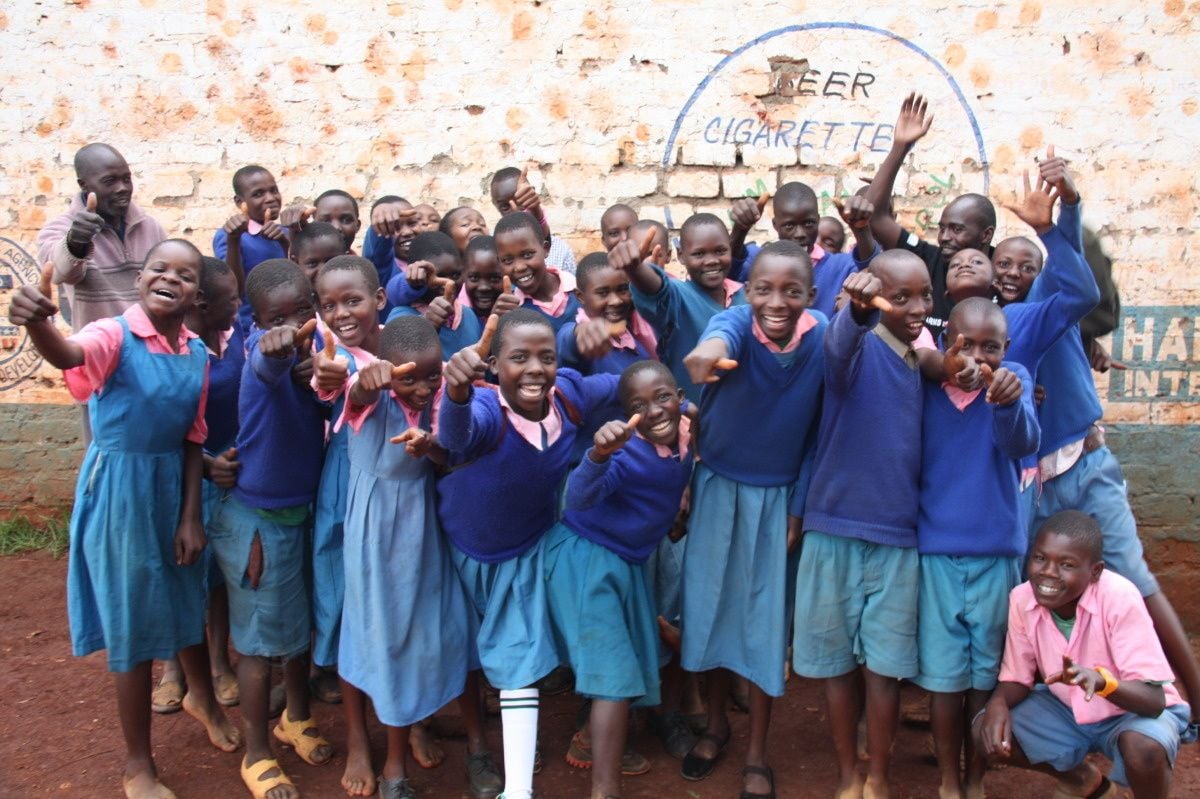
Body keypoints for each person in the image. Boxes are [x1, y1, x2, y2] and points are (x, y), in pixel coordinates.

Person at [8, 239, 241, 799]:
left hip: (173, 487)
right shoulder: (113, 334)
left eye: (184, 276)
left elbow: (193, 438)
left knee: (187, 590)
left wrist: (191, 517)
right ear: (140, 277)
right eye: (159, 268)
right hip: (120, 491)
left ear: (196, 295)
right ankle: (138, 762)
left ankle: (200, 696)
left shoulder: (194, 354)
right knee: (132, 621)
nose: (170, 279)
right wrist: (38, 323)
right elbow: (67, 355)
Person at [997, 153, 1200, 724]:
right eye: (1001, 265)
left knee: (1135, 579)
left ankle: (1192, 699)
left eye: (1024, 264)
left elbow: (1081, 288)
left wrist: (1057, 218)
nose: (1011, 273)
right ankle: (1042, 704)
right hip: (1033, 485)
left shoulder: (1050, 308)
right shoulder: (993, 330)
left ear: (1039, 271)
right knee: (1031, 590)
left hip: (1086, 466)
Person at [438, 309, 621, 799]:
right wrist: (454, 392)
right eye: (519, 358)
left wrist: (668, 402)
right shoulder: (484, 408)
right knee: (464, 652)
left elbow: (620, 385)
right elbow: (453, 440)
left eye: (546, 357)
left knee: (518, 660)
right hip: (458, 549)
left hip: (520, 555)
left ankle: (516, 791)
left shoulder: (568, 394)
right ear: (494, 367)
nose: (535, 368)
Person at [679, 240, 827, 799]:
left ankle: (758, 751)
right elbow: (717, 341)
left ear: (811, 296)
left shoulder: (823, 340)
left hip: (778, 499)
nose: (777, 301)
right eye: (764, 288)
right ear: (746, 290)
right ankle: (716, 725)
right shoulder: (734, 321)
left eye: (793, 290)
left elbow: (820, 434)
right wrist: (703, 356)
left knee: (766, 623)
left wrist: (799, 504)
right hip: (718, 488)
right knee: (712, 608)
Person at [334, 315, 499, 799]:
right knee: (378, 635)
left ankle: (476, 745)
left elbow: (451, 454)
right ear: (387, 369)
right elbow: (356, 397)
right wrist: (369, 383)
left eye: (432, 375)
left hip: (428, 527)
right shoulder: (371, 390)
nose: (424, 388)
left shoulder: (442, 393)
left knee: (452, 627)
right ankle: (389, 764)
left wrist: (431, 449)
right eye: (410, 377)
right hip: (376, 535)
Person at [791, 250, 934, 799]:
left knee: (884, 672)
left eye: (924, 295)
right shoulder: (854, 347)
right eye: (901, 298)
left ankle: (879, 777)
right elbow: (837, 347)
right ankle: (848, 774)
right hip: (834, 533)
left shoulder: (924, 360)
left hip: (898, 540)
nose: (917, 307)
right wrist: (854, 312)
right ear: (876, 300)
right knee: (835, 669)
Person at [205, 259, 333, 799]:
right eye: (277, 317)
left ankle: (296, 718)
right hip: (258, 523)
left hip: (301, 514)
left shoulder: (318, 357)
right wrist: (277, 346)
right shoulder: (263, 355)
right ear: (253, 321)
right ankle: (257, 753)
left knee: (297, 628)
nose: (294, 323)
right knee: (258, 645)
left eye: (303, 309)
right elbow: (268, 363)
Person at [544, 360, 694, 799]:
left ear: (679, 396)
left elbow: (696, 425)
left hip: (626, 562)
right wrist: (598, 455)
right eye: (638, 405)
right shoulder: (625, 454)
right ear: (626, 413)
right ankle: (603, 792)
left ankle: (590, 739)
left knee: (628, 658)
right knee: (613, 676)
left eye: (663, 397)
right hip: (587, 561)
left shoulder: (687, 427)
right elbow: (579, 498)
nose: (655, 411)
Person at [974, 511, 1194, 799]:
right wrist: (998, 703)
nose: (1049, 572)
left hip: (1131, 711)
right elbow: (1017, 676)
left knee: (1145, 750)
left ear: (1095, 571)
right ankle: (1082, 780)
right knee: (985, 728)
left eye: (1066, 564)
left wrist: (1104, 683)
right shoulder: (1022, 599)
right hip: (1067, 710)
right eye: (1040, 558)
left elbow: (1154, 702)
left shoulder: (1119, 597)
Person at [915, 298, 1041, 799]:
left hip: (996, 557)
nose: (979, 357)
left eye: (993, 348)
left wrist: (1007, 400)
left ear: (1006, 350)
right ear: (948, 345)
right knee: (945, 683)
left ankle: (975, 780)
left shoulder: (1015, 382)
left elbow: (1021, 444)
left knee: (984, 682)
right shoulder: (927, 389)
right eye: (967, 344)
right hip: (937, 556)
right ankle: (948, 779)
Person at [306, 255, 389, 708]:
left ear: (379, 299)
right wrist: (327, 377)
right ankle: (336, 662)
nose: (341, 315)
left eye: (352, 301)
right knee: (337, 564)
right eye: (329, 305)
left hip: (394, 472)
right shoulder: (330, 353)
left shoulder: (397, 342)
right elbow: (327, 379)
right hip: (345, 471)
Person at [864, 93, 997, 338]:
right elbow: (875, 218)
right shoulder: (929, 260)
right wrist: (900, 147)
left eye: (956, 229)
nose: (944, 237)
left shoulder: (1005, 270)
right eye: (942, 228)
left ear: (986, 235)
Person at [614, 212, 747, 403]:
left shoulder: (746, 296)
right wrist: (636, 270)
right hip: (696, 421)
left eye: (720, 251)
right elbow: (657, 288)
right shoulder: (678, 297)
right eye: (699, 254)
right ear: (681, 256)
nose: (711, 260)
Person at [36, 143, 167, 332]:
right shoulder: (60, 229)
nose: (122, 188)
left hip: (151, 351)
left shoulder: (150, 227)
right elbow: (58, 272)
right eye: (110, 181)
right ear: (84, 185)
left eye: (127, 179)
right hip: (101, 353)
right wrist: (76, 242)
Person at [727, 183, 878, 318]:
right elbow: (728, 270)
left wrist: (861, 230)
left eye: (808, 224)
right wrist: (740, 230)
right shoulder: (758, 261)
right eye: (789, 226)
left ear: (818, 221)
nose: (800, 234)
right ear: (775, 225)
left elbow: (876, 271)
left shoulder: (840, 266)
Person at [213, 165, 289, 336]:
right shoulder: (231, 235)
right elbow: (233, 289)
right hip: (251, 330)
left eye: (273, 190)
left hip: (288, 324)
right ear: (241, 203)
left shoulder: (285, 233)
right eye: (258, 194)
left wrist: (285, 241)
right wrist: (234, 241)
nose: (270, 198)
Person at [495, 211, 581, 332]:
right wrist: (499, 324)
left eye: (527, 255)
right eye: (507, 260)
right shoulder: (511, 309)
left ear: (545, 249)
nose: (519, 267)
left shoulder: (579, 289)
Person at [490, 166, 577, 273]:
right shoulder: (492, 249)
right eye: (505, 206)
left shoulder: (561, 250)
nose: (515, 210)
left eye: (521, 201)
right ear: (495, 206)